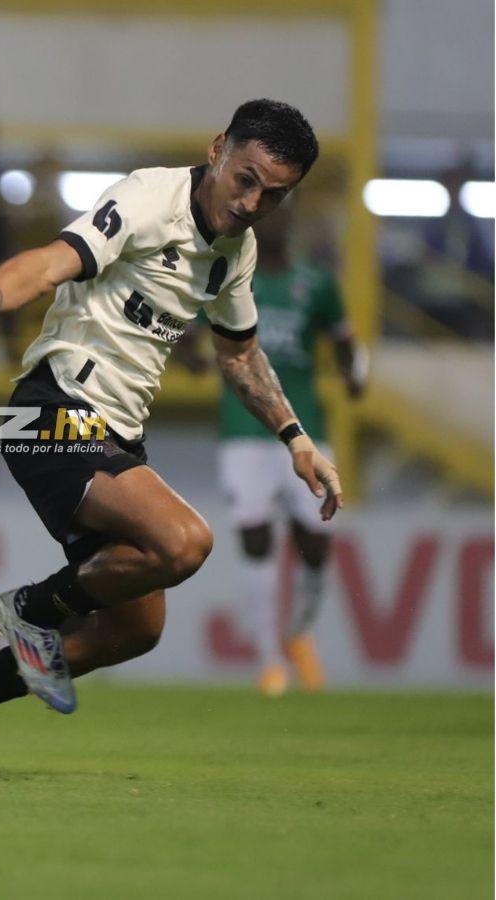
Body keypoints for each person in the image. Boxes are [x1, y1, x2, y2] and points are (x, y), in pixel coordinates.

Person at [0, 99, 340, 773]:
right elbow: (50, 261)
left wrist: (296, 438)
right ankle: (31, 607)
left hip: (114, 437)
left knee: (135, 630)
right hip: (56, 410)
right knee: (185, 542)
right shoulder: (148, 197)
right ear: (218, 147)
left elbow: (239, 356)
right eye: (246, 178)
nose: (251, 203)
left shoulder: (233, 254)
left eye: (273, 195)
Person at [213, 205, 366, 696]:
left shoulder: (315, 283)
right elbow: (198, 333)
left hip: (306, 427)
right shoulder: (231, 273)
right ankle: (268, 661)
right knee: (256, 538)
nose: (274, 221)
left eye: (281, 212)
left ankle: (298, 633)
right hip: (243, 430)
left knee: (317, 541)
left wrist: (353, 373)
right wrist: (193, 354)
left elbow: (342, 338)